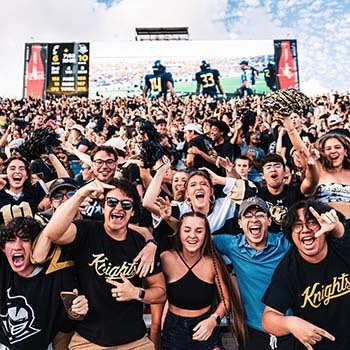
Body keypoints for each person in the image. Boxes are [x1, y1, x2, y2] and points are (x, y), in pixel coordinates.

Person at [41, 178, 166, 349]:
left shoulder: (142, 245)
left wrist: (137, 293)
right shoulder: (87, 231)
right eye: (112, 202)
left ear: (133, 212)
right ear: (102, 207)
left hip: (135, 341)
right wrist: (80, 194)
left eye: (126, 205)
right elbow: (52, 233)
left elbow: (160, 293)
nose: (118, 208)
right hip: (89, 340)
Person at [262, 200, 349, 350]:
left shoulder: (341, 247)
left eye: (311, 222)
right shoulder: (288, 269)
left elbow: (343, 236)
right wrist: (290, 323)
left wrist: (337, 227)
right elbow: (268, 318)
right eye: (297, 225)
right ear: (291, 235)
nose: (305, 229)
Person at [213, 197, 296, 350]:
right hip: (253, 330)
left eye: (259, 214)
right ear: (240, 223)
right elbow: (196, 238)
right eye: (248, 216)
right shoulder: (232, 245)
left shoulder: (284, 243)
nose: (254, 219)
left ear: (269, 221)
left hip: (287, 326)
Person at [159, 212, 245, 350]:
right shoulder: (166, 258)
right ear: (179, 233)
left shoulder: (212, 263)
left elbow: (226, 300)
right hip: (174, 328)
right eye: (187, 230)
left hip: (204, 326)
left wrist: (213, 320)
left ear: (206, 234)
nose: (192, 235)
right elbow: (158, 293)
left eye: (199, 231)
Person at [0, 216, 88, 350]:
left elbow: (71, 319)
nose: (17, 246)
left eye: (25, 240)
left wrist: (79, 309)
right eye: (11, 241)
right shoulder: (3, 268)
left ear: (36, 244)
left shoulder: (58, 273)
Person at [257, 153, 319, 233]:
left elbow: (311, 182)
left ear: (284, 172)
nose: (273, 169)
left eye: (277, 166)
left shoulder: (295, 190)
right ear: (262, 175)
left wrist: (311, 166)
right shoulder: (257, 194)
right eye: (268, 167)